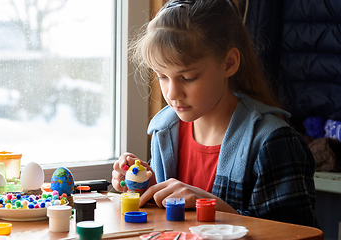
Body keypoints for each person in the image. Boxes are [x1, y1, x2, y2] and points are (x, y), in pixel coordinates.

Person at [112, 0, 319, 228]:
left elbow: (297, 234)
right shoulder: (164, 131)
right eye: (162, 76)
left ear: (229, 63)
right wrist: (148, 188)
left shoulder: (272, 141)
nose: (172, 93)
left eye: (188, 77)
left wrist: (209, 205)